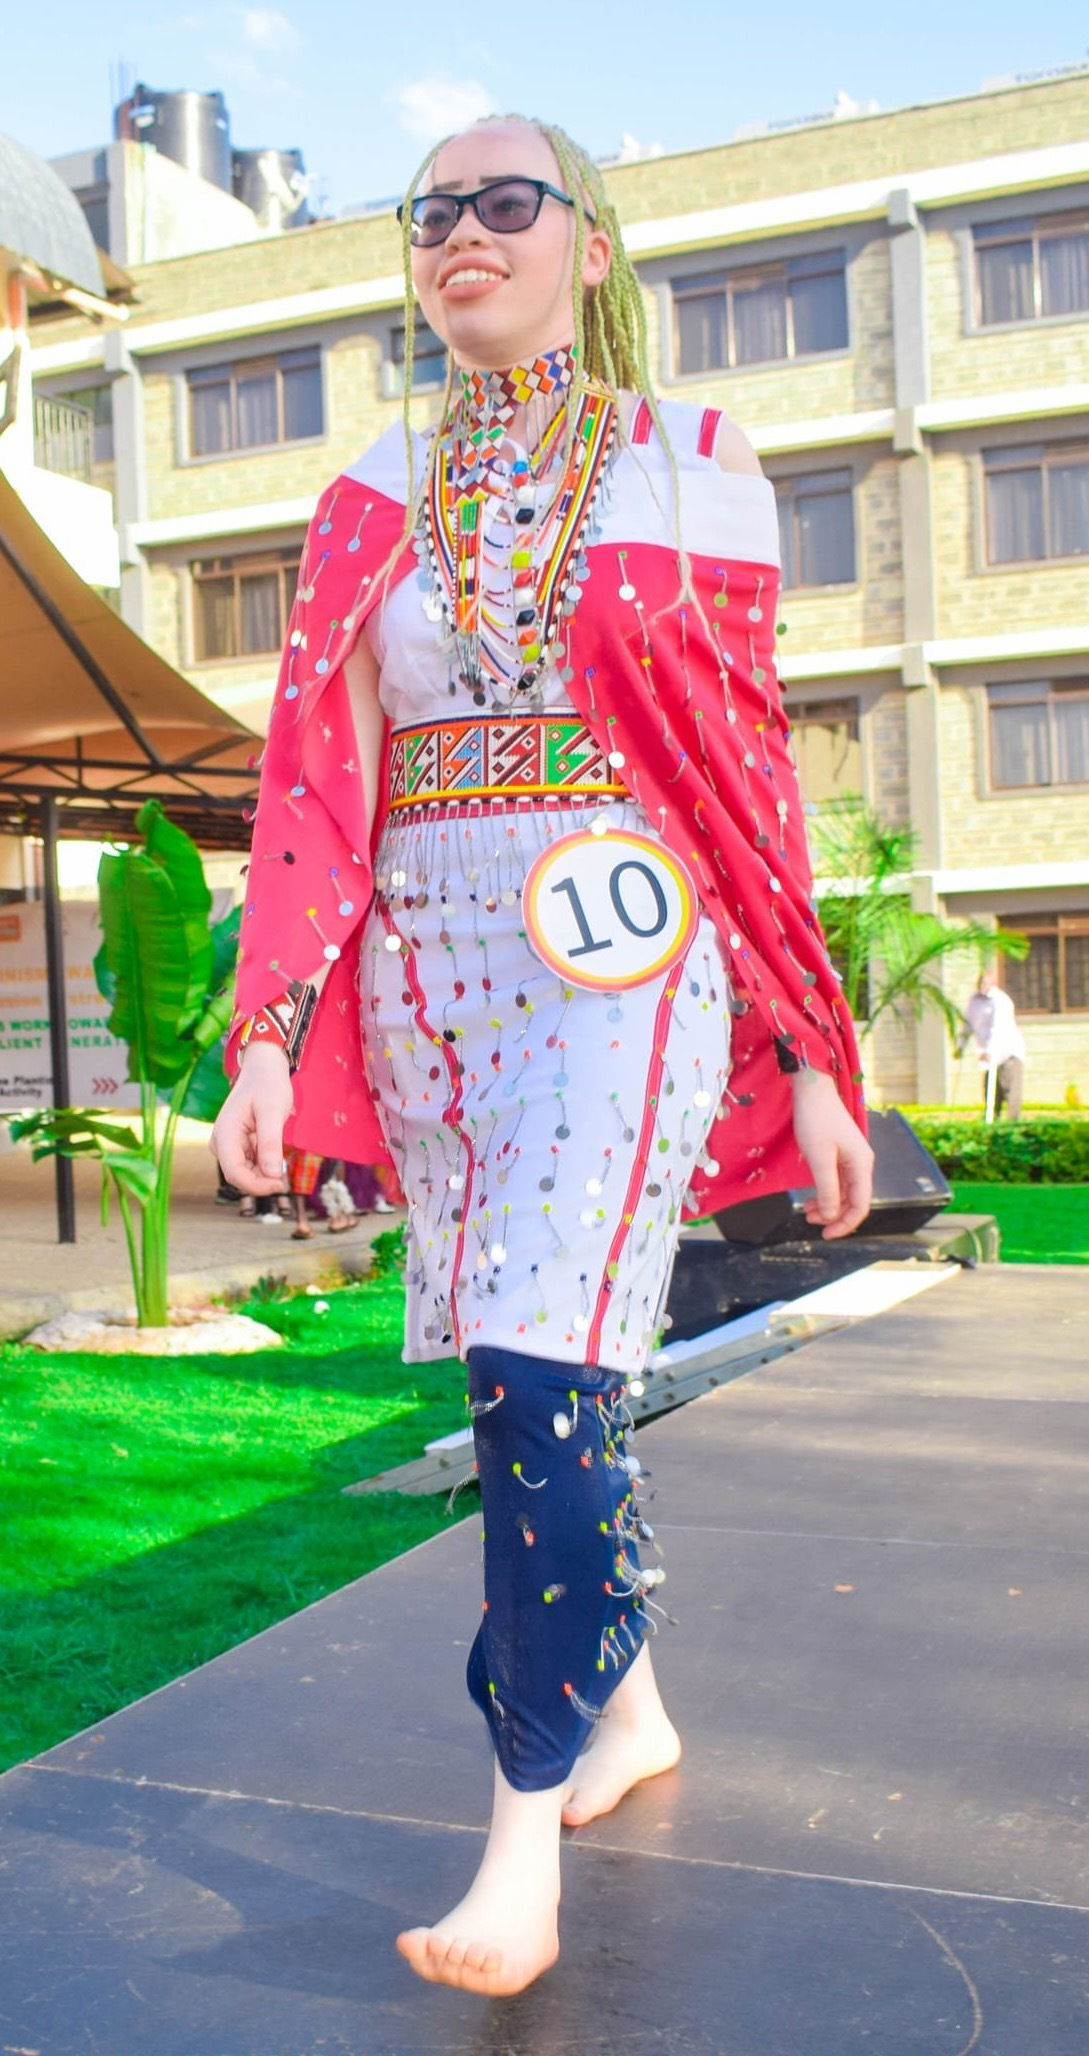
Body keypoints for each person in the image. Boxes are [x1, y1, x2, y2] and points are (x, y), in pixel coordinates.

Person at [212, 115, 873, 1999]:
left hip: (628, 951)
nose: (460, 235)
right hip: (437, 969)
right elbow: (315, 788)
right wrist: (270, 1033)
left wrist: (808, 1047)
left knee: (529, 1359)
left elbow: (742, 780)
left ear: (587, 243)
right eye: (428, 213)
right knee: (549, 1360)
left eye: (503, 203)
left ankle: (518, 1839)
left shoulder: (693, 464)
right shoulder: (365, 482)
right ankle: (632, 1707)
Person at [955, 969, 1025, 1118]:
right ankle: (992, 1122)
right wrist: (960, 1046)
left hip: (1007, 1053)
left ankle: (1013, 1125)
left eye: (985, 982)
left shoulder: (1000, 1001)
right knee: (991, 1091)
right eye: (980, 982)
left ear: (992, 983)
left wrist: (989, 1051)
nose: (982, 985)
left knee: (1010, 1090)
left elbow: (998, 1028)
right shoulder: (974, 1000)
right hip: (989, 1054)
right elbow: (968, 1024)